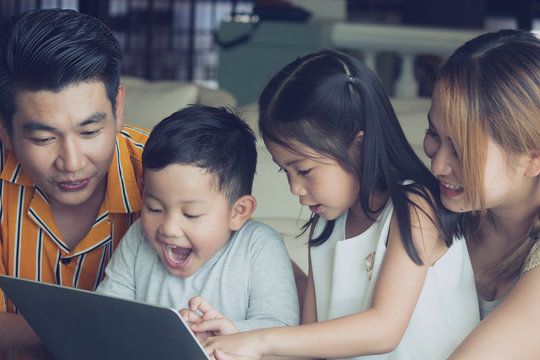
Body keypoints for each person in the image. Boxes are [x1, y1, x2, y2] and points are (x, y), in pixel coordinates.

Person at [202, 49, 479, 360]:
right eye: (286, 171)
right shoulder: (324, 226)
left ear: (358, 145)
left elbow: (384, 329)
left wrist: (261, 341)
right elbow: (308, 346)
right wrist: (239, 341)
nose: (295, 188)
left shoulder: (415, 207)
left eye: (304, 170)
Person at [0, 8, 149, 352]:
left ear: (118, 107)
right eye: (43, 139)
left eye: (90, 131)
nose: (72, 162)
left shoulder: (171, 169)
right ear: (5, 130)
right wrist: (97, 324)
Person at [97, 104, 299, 338]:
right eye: (154, 208)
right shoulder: (137, 237)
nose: (169, 229)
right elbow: (107, 314)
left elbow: (282, 327)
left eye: (190, 214)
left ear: (238, 212)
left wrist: (228, 333)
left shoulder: (259, 246)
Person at [423, 29, 540, 359]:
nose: (438, 166)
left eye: (461, 151)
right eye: (432, 133)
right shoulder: (432, 212)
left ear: (533, 158)